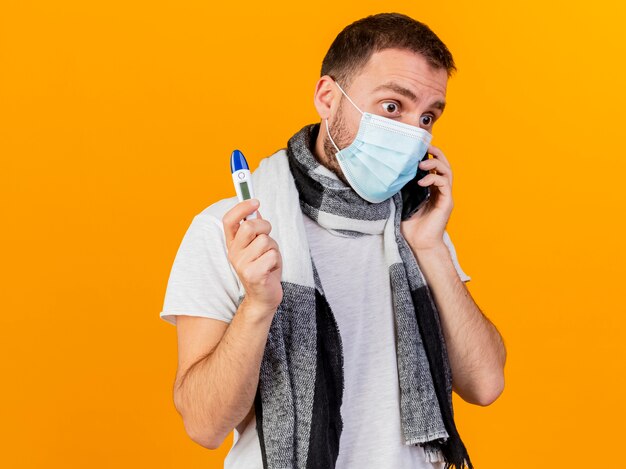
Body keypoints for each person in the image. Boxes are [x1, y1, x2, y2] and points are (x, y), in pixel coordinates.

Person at [160, 12, 506, 469]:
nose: (410, 133)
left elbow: (485, 384)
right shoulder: (233, 230)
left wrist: (431, 248)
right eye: (391, 107)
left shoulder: (416, 229)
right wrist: (258, 305)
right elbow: (203, 424)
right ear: (328, 97)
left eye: (426, 116)